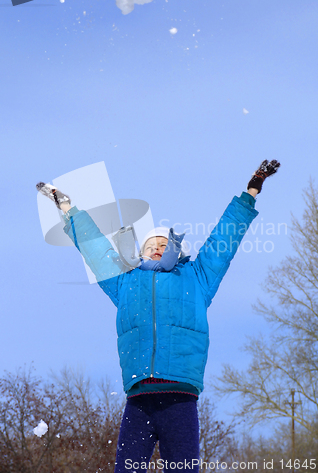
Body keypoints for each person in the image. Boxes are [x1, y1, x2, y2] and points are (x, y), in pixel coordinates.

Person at [36, 159, 280, 472]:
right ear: (140, 251)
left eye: (163, 245)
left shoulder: (196, 276)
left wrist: (249, 195)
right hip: (138, 397)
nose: (156, 249)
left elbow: (223, 242)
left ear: (175, 250)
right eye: (151, 244)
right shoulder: (124, 280)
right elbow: (95, 248)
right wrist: (68, 209)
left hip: (180, 396)